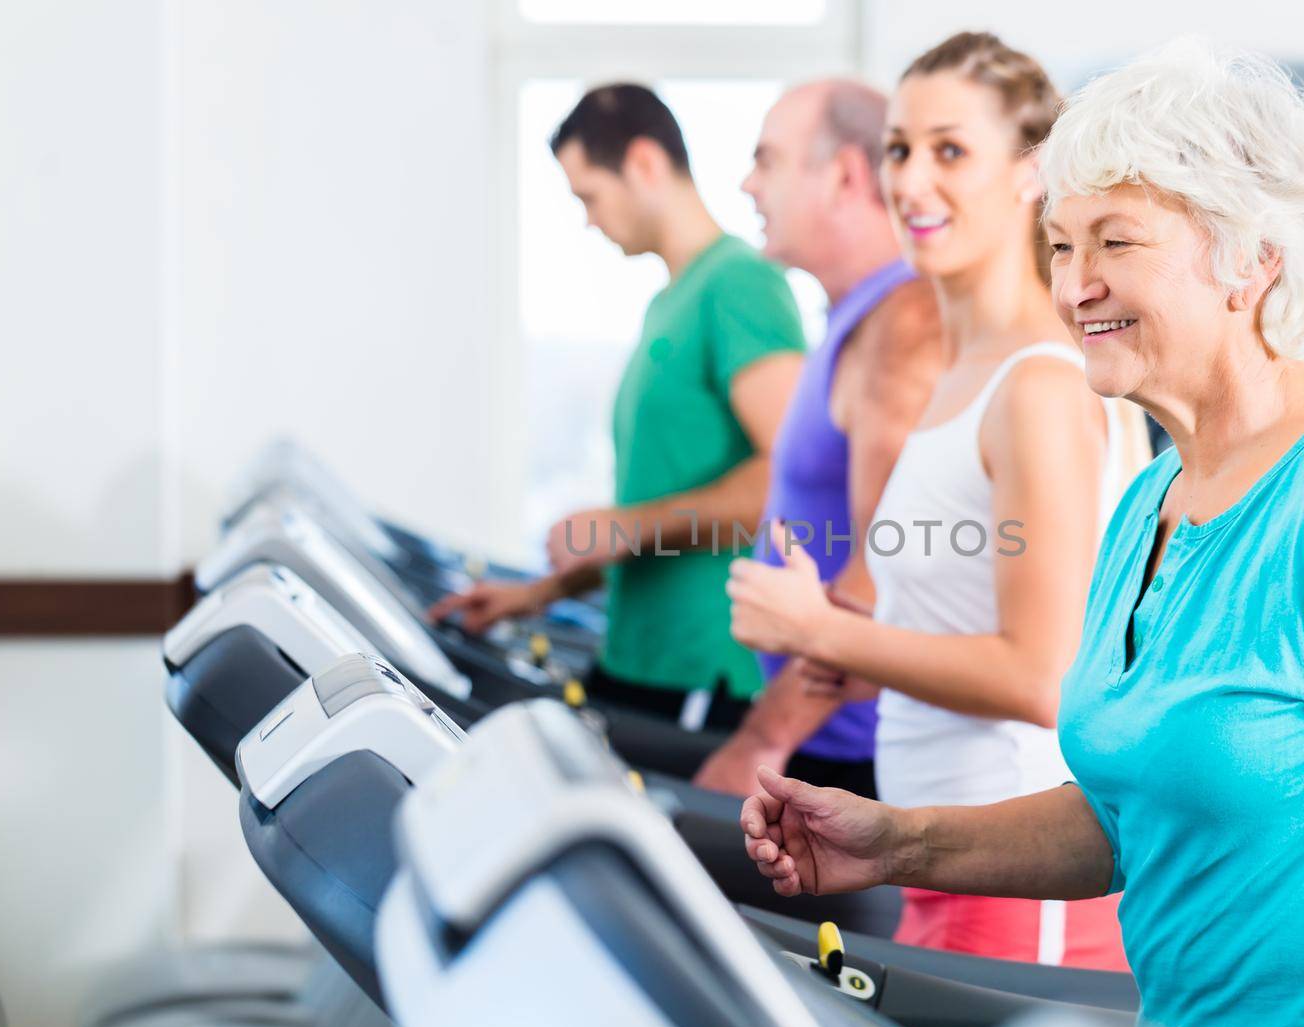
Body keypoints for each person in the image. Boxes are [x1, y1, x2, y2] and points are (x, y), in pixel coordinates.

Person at [740, 39, 1304, 1027]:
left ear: (1251, 259)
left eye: (1115, 241)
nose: (1075, 284)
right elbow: (1127, 813)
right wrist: (894, 839)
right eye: (1059, 245)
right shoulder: (1153, 498)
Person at [727, 33, 1146, 969]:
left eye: (950, 151)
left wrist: (817, 630)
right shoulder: (973, 367)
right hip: (940, 865)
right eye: (901, 149)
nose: (912, 182)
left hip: (1014, 887)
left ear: (1030, 172)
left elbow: (1040, 678)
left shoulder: (1038, 383)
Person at [431, 84, 804, 729]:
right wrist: (539, 594)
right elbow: (651, 512)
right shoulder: (672, 300)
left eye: (588, 196)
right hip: (636, 658)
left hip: (705, 670)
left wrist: (622, 526)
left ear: (644, 164)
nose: (588, 219)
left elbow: (789, 477)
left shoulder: (741, 284)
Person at [691, 80, 947, 799]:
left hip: (854, 762)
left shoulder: (902, 329)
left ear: (845, 175)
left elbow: (889, 566)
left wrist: (763, 739)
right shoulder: (858, 319)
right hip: (817, 745)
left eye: (767, 160)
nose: (747, 183)